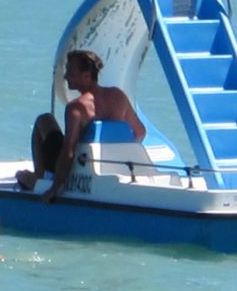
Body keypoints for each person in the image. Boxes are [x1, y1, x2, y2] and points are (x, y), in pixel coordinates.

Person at [16, 49, 145, 202]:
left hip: (78, 163)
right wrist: (122, 156)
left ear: (86, 76)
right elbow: (140, 132)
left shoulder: (76, 107)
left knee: (43, 120)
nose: (65, 76)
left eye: (70, 71)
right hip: (103, 163)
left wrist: (55, 188)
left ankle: (40, 176)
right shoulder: (118, 96)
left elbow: (68, 151)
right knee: (47, 119)